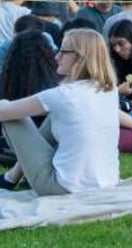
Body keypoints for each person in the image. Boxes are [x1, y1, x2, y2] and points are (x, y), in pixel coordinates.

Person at [0, 29, 119, 195]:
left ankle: (11, 177)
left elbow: (4, 112)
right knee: (52, 115)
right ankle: (12, 176)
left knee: (6, 108)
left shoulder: (63, 95)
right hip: (106, 182)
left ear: (80, 56)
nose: (57, 57)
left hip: (61, 187)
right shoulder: (110, 90)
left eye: (63, 52)